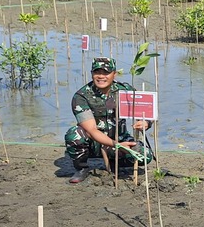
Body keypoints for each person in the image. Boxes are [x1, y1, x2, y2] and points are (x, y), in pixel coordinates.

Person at [65, 56, 154, 184]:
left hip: (120, 139)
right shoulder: (81, 96)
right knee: (74, 134)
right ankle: (82, 168)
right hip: (94, 143)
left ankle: (113, 160)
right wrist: (116, 145)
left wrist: (146, 123)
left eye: (106, 73)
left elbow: (147, 111)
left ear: (114, 74)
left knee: (145, 156)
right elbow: (91, 130)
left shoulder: (125, 90)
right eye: (97, 72)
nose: (101, 76)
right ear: (92, 74)